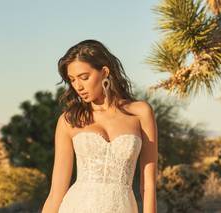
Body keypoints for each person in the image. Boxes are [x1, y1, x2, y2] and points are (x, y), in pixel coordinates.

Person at [41, 39, 158, 213]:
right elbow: (56, 192)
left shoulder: (140, 113)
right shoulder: (70, 121)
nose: (78, 86)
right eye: (72, 80)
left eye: (84, 77)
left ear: (104, 72)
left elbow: (147, 185)